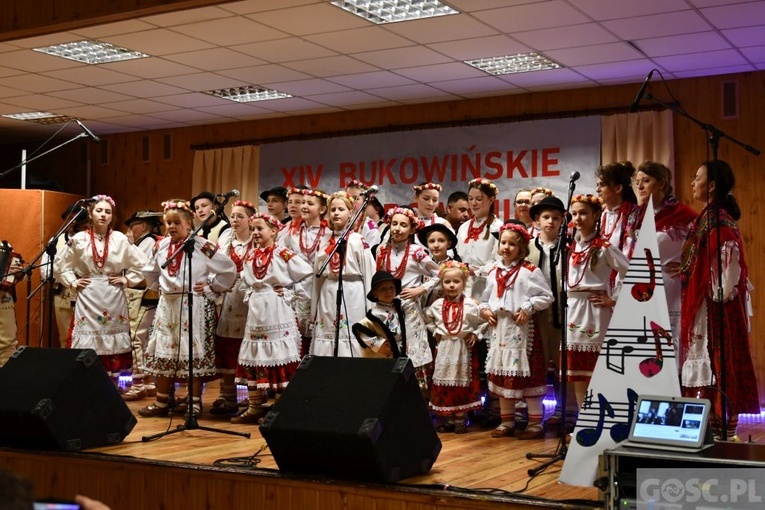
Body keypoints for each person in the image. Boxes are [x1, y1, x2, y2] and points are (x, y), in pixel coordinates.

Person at [680, 160, 759, 440]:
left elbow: (728, 270)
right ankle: (711, 431)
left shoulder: (719, 221)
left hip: (717, 307)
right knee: (710, 366)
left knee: (719, 364)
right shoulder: (707, 218)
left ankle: (724, 432)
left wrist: (717, 293)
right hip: (707, 303)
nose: (692, 183)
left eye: (697, 178)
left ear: (711, 186)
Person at [138, 199, 236, 419]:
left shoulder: (203, 246)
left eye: (176, 222)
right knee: (164, 351)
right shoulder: (161, 246)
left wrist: (212, 287)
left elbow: (228, 270)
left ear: (189, 223)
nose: (171, 227)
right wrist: (160, 288)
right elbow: (149, 272)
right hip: (168, 305)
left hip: (194, 304)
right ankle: (162, 400)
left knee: (192, 353)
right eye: (168, 223)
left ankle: (194, 402)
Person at [54, 195, 148, 386]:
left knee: (113, 340)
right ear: (90, 213)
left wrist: (127, 279)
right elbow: (59, 265)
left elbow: (143, 264)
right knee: (88, 340)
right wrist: (72, 281)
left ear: (112, 216)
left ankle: (112, 388)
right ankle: (88, 387)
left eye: (108, 212)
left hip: (113, 294)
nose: (103, 215)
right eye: (99, 210)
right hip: (88, 294)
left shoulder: (120, 239)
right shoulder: (79, 239)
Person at [233, 212, 313, 424]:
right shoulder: (250, 255)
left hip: (277, 308)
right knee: (254, 355)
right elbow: (244, 281)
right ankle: (254, 406)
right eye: (254, 229)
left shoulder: (283, 253)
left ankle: (280, 408)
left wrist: (291, 293)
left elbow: (307, 273)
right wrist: (249, 293)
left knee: (279, 355)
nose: (256, 233)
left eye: (260, 229)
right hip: (257, 311)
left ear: (274, 231)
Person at [479, 223, 553, 439]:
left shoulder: (530, 271)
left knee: (528, 375)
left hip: (521, 329)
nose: (507, 247)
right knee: (502, 373)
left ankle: (535, 423)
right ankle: (507, 420)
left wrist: (528, 307)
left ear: (522, 248)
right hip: (499, 329)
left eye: (512, 244)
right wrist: (484, 310)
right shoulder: (493, 271)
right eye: (503, 243)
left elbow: (546, 296)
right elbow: (484, 298)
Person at [566, 194, 629, 409]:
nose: (578, 218)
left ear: (596, 216)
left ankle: (600, 417)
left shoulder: (604, 246)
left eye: (583, 213)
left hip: (594, 308)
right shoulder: (570, 246)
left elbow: (631, 271)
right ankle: (583, 419)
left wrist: (614, 299)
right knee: (577, 373)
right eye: (574, 214)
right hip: (572, 308)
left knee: (596, 369)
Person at [629, 161, 697, 354]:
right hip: (642, 288)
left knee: (669, 342)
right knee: (646, 345)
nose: (640, 186)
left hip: (671, 287)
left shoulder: (683, 215)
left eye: (646, 181)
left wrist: (688, 265)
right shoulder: (635, 216)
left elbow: (704, 246)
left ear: (662, 184)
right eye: (637, 181)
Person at [375, 206, 440, 390]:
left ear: (412, 229)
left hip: (410, 308)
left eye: (403, 225)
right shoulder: (381, 250)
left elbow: (439, 273)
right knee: (392, 349)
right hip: (388, 308)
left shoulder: (416, 252)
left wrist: (420, 289)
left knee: (413, 350)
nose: (397, 228)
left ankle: (417, 395)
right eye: (394, 223)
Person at [310, 191, 376, 357]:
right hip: (328, 291)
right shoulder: (324, 240)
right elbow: (317, 277)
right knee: (328, 334)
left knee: (350, 332)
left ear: (350, 213)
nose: (336, 213)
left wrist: (371, 310)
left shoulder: (358, 240)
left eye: (341, 209)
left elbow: (369, 275)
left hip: (352, 291)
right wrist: (314, 309)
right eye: (333, 210)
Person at [425, 261, 484, 434]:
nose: (451, 285)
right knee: (445, 384)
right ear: (441, 284)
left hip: (462, 348)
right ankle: (449, 418)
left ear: (464, 283)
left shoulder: (471, 305)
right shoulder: (436, 305)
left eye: (456, 282)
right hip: (444, 348)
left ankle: (461, 417)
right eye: (447, 282)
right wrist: (435, 330)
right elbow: (427, 318)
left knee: (462, 383)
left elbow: (484, 321)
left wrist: (475, 334)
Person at [209, 199, 256, 416]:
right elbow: (215, 266)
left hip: (250, 298)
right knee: (228, 343)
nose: (235, 220)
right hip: (229, 295)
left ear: (250, 219)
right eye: (233, 216)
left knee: (246, 347)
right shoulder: (227, 241)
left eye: (240, 216)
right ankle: (226, 394)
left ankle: (248, 396)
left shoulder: (255, 241)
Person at [527, 195, 568, 427]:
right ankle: (535, 412)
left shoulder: (569, 246)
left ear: (562, 220)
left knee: (562, 362)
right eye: (545, 217)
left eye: (555, 217)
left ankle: (564, 409)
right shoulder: (529, 247)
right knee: (537, 362)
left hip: (563, 312)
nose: (550, 222)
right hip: (535, 313)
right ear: (537, 221)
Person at [281, 188, 329, 355]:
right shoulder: (291, 234)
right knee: (297, 335)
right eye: (302, 203)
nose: (304, 206)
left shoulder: (328, 233)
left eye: (310, 203)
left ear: (322, 209)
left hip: (320, 289)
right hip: (298, 289)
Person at [122, 210, 163, 401]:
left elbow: (143, 272)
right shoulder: (149, 242)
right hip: (146, 296)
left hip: (143, 296)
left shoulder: (147, 242)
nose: (130, 230)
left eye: (133, 225)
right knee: (142, 338)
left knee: (136, 337)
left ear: (144, 226)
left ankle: (138, 383)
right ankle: (147, 380)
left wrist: (125, 281)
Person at [42, 202, 89, 348]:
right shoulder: (56, 241)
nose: (73, 223)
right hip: (62, 293)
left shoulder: (90, 240)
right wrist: (64, 276)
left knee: (86, 334)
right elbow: (45, 270)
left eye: (77, 220)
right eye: (70, 219)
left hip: (86, 292)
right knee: (65, 335)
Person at [457, 178, 502, 301]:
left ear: (491, 200)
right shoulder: (464, 227)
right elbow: (456, 255)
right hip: (462, 286)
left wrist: (477, 271)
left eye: (479, 199)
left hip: (486, 286)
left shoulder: (497, 228)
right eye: (470, 199)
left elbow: (500, 262)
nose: (473, 203)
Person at [352, 270, 407, 358]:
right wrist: (378, 344)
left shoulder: (400, 310)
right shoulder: (374, 315)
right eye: (383, 288)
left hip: (399, 354)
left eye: (391, 287)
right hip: (382, 356)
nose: (388, 291)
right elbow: (361, 331)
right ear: (375, 294)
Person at [596, 161, 639, 258]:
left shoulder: (636, 215)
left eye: (602, 185)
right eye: (597, 185)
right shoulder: (598, 214)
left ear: (618, 188)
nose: (597, 190)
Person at [0, 242, 23, 366]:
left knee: (8, 341)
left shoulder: (5, 246)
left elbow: (16, 276)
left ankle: (5, 377)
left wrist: (18, 273)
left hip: (4, 300)